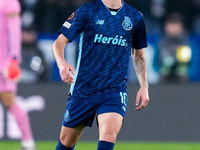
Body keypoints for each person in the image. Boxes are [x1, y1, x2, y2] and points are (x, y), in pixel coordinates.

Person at [52, 0, 149, 150]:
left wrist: (144, 85)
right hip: (84, 89)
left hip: (114, 90)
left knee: (109, 135)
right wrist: (62, 64)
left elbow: (139, 56)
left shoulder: (135, 17)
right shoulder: (87, 11)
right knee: (66, 142)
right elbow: (58, 43)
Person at [0, 0, 35, 150]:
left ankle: (28, 142)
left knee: (9, 101)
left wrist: (14, 58)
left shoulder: (10, 3)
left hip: (4, 62)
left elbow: (14, 31)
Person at [159, 13, 190, 82]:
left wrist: (187, 72)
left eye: (175, 26)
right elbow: (155, 63)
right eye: (170, 26)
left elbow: (194, 64)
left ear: (181, 27)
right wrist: (160, 71)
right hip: (164, 81)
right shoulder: (161, 43)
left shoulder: (187, 42)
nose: (172, 28)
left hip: (184, 82)